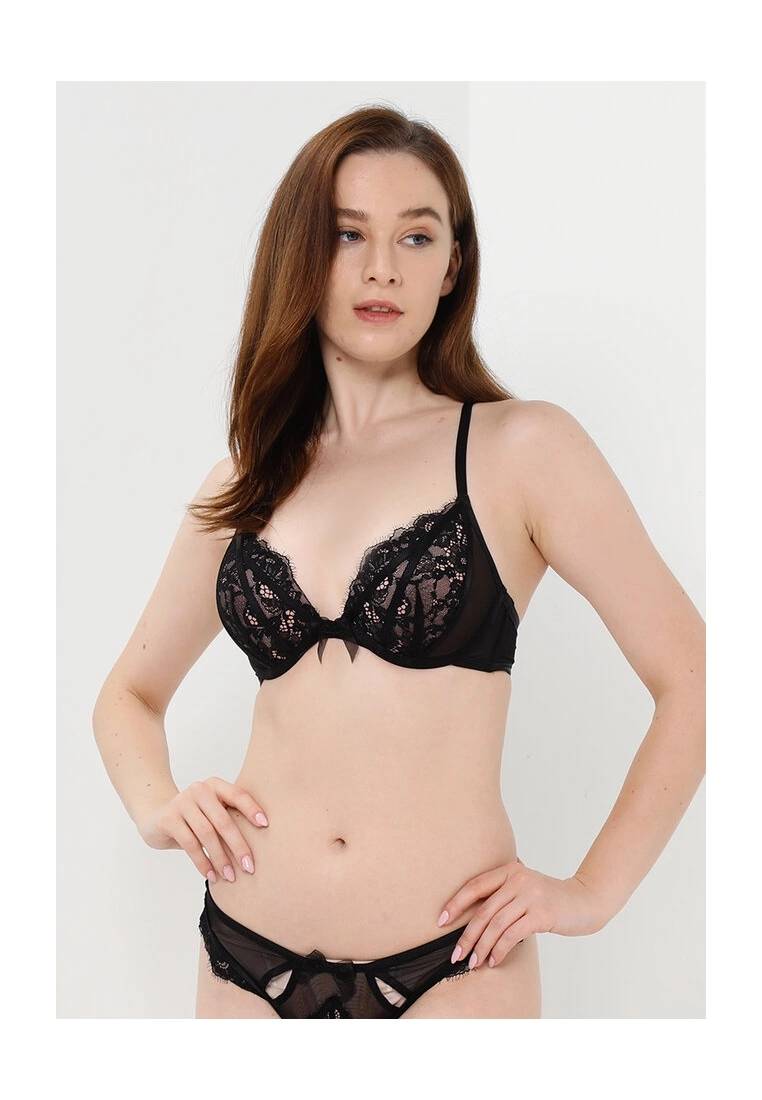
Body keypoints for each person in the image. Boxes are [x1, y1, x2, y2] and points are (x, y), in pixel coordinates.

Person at [92, 105, 705, 1019]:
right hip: (244, 958)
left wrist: (592, 892)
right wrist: (156, 807)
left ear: (453, 265)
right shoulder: (246, 483)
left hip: (453, 965)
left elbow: (697, 675)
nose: (383, 267)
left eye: (417, 236)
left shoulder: (522, 450)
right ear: (301, 256)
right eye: (348, 234)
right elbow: (128, 696)